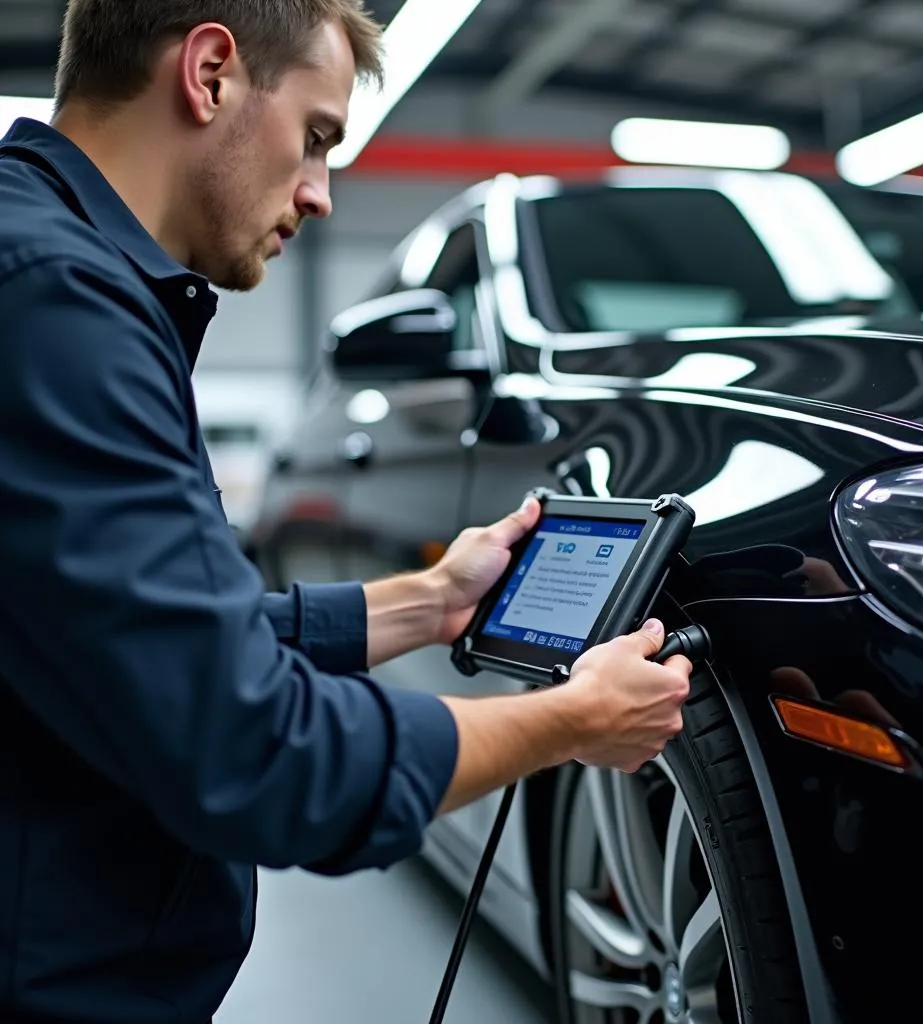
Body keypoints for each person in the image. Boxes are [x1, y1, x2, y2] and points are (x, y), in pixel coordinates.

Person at [0, 1, 694, 1021]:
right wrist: (569, 720)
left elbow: (135, 638)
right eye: (317, 137)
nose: (322, 194)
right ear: (209, 73)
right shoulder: (56, 302)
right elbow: (253, 750)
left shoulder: (52, 272)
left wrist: (426, 601)